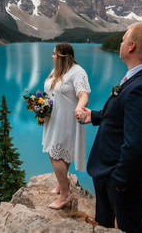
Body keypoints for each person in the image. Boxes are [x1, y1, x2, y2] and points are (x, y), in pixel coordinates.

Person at [81, 22, 142, 232]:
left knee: (129, 227)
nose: (120, 42)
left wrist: (119, 182)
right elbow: (124, 114)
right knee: (104, 221)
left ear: (131, 46)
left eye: (122, 39)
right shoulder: (141, 77)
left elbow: (136, 145)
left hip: (122, 179)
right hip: (107, 172)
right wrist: (94, 116)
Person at [42, 42, 90, 210]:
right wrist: (41, 105)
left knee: (55, 155)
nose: (52, 56)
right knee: (60, 153)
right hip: (54, 119)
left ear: (62, 56)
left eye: (54, 53)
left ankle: (65, 195)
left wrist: (79, 107)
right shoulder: (57, 70)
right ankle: (63, 182)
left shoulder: (78, 72)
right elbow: (51, 91)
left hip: (67, 121)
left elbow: (83, 94)